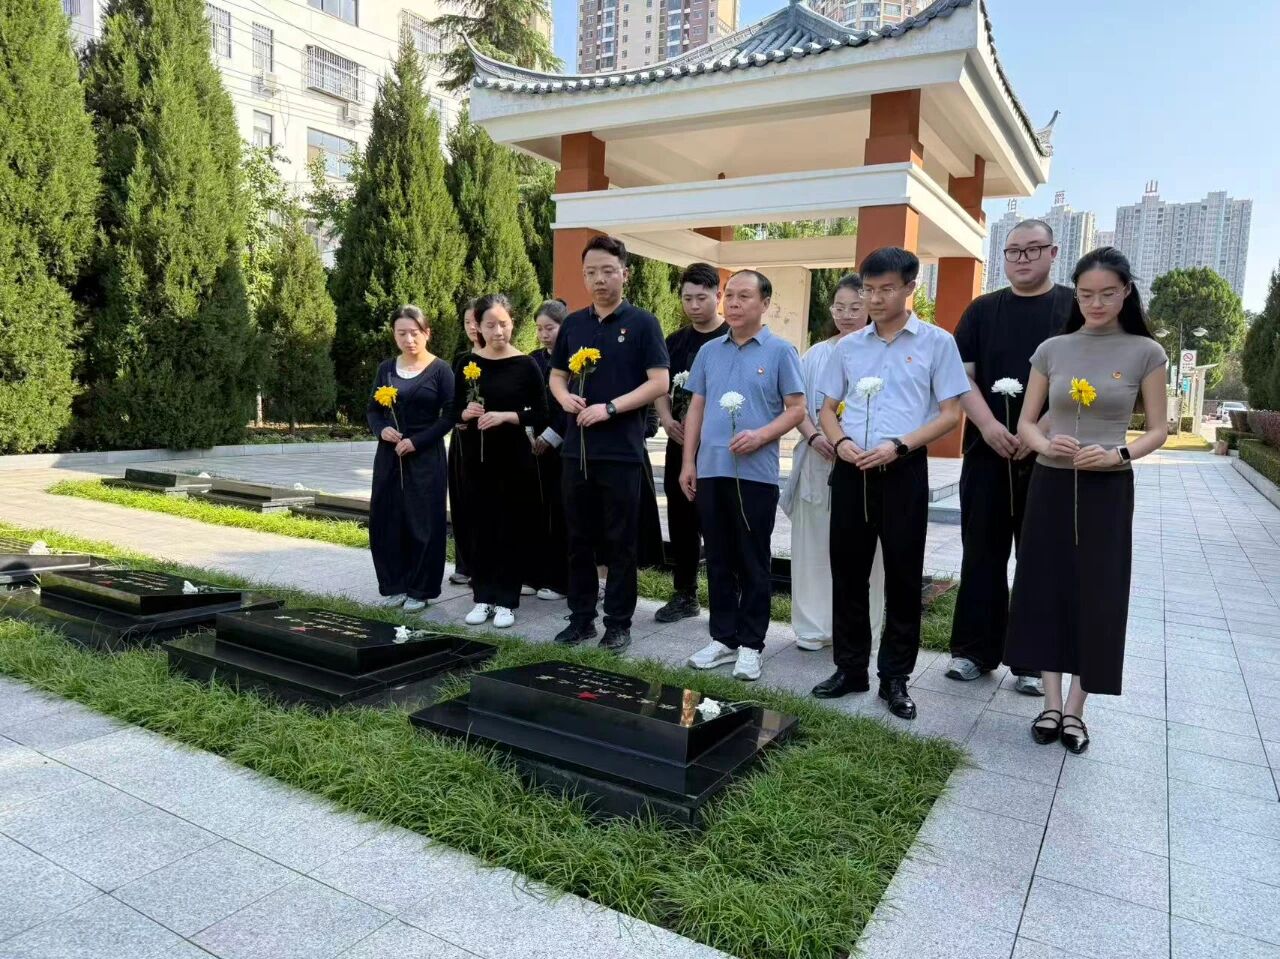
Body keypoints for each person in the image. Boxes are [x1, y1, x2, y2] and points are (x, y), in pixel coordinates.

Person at [1005, 247, 1167, 753]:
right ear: (1076, 295)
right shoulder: (1052, 349)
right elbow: (1026, 423)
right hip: (1051, 485)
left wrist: (1119, 454)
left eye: (1107, 294)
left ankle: (1077, 708)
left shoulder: (1146, 352)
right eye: (1086, 294)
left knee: (1099, 593)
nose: (1096, 304)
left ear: (1126, 293)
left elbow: (1159, 430)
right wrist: (1044, 445)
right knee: (1044, 586)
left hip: (1107, 490)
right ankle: (1050, 703)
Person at [813, 248, 969, 719]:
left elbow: (951, 414)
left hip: (903, 469)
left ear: (909, 288)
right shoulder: (849, 347)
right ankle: (850, 668)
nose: (874, 299)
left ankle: (895, 678)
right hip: (851, 468)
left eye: (886, 289)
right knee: (848, 573)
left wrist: (899, 446)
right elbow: (826, 409)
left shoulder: (937, 343)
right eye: (868, 289)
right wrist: (840, 443)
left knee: (902, 576)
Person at [946, 220, 1076, 696]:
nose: (1022, 258)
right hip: (988, 450)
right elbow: (962, 377)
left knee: (1039, 557)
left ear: (1053, 252)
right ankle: (974, 652)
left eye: (1033, 249)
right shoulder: (982, 310)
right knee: (982, 551)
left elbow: (1084, 378)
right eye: (1013, 251)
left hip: (1050, 454)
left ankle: (1031, 661)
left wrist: (1036, 429)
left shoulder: (1073, 308)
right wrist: (987, 425)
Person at [682, 270, 805, 681]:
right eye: (730, 295)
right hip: (711, 469)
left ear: (765, 303)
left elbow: (796, 409)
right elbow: (696, 407)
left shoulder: (781, 352)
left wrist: (762, 436)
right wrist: (688, 462)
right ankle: (723, 638)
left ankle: (751, 645)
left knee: (752, 561)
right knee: (717, 558)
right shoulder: (709, 351)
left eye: (744, 296)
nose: (733, 303)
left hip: (756, 475)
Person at [549, 235, 670, 653]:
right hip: (576, 450)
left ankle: (618, 623)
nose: (599, 280)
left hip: (620, 451)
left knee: (621, 541)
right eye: (591, 272)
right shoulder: (573, 324)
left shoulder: (643, 324)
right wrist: (564, 398)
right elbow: (557, 375)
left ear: (625, 274)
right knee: (578, 538)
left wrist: (611, 408)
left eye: (607, 271)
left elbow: (659, 381)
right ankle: (581, 618)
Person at [783, 273, 885, 651]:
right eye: (839, 307)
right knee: (813, 544)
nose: (846, 315)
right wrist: (815, 437)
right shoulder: (815, 354)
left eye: (855, 307)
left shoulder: (881, 352)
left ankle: (862, 627)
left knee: (865, 551)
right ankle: (813, 627)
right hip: (818, 457)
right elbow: (797, 405)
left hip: (866, 460)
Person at [451, 294, 549, 629]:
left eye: (503, 324)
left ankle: (507, 600)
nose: (498, 332)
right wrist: (465, 413)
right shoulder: (466, 363)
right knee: (480, 528)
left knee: (510, 527)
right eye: (490, 325)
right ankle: (483, 596)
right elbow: (451, 409)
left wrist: (508, 416)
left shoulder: (525, 364)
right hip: (475, 459)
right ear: (477, 326)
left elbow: (542, 412)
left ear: (512, 324)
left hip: (514, 459)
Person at [653, 262, 728, 622]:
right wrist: (666, 419)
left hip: (719, 448)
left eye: (702, 297)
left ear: (718, 295)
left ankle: (726, 598)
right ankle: (685, 594)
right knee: (681, 521)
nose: (694, 305)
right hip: (680, 444)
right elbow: (659, 385)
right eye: (687, 298)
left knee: (719, 522)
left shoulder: (731, 337)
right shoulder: (675, 341)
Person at [367, 305, 455, 611]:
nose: (408, 339)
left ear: (427, 333)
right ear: (393, 335)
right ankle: (395, 585)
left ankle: (420, 589)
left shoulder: (441, 370)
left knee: (424, 522)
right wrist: (382, 430)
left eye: (414, 333)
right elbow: (373, 411)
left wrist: (416, 442)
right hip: (390, 454)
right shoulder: (386, 369)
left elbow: (449, 416)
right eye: (401, 333)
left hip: (426, 454)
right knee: (387, 519)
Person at [529, 299, 570, 601]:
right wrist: (530, 433)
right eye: (540, 328)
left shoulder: (576, 359)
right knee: (536, 511)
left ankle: (560, 580)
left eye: (550, 328)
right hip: (533, 446)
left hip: (563, 446)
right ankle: (535, 574)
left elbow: (572, 403)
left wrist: (552, 435)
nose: (544, 334)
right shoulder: (532, 360)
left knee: (561, 513)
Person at [447, 302, 479, 586]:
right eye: (467, 321)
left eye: (476, 321)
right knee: (462, 500)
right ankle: (465, 563)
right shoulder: (461, 359)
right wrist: (458, 416)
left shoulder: (506, 359)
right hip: (462, 437)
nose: (472, 327)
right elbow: (452, 401)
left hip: (491, 438)